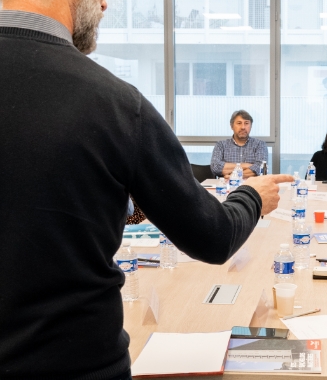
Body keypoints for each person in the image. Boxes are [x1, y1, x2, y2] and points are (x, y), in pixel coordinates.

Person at [0, 1, 293, 378]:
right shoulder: (116, 104)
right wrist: (252, 195)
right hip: (73, 362)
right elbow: (213, 236)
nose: (105, 4)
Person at [210, 109, 269, 179]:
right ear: (232, 126)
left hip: (252, 186)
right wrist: (246, 165)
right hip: (225, 187)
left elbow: (260, 168)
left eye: (246, 123)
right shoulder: (221, 145)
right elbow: (215, 167)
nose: (243, 127)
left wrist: (232, 176)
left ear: (251, 126)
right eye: (239, 123)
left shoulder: (260, 144)